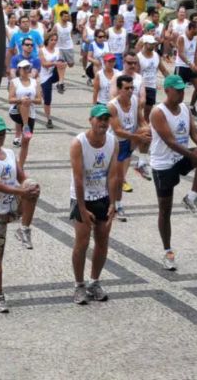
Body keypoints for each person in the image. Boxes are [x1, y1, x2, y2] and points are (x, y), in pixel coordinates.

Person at [149, 75, 197, 270]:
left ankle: (192, 196)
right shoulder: (158, 112)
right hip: (163, 164)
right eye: (177, 90)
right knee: (165, 209)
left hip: (181, 157)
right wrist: (195, 157)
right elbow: (170, 141)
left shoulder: (185, 109)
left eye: (182, 90)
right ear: (167, 90)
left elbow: (194, 133)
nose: (181, 93)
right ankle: (167, 250)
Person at [0, 115, 40, 313]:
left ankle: (24, 229)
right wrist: (21, 191)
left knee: (32, 185)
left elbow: (21, 177)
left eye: (4, 134)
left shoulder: (10, 153)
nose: (2, 137)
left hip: (13, 206)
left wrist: (30, 187)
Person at [69, 104, 118, 305]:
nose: (103, 123)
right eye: (99, 119)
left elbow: (114, 174)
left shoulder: (112, 141)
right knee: (82, 242)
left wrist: (114, 202)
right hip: (82, 197)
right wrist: (81, 208)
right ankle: (79, 285)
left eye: (106, 119)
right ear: (91, 120)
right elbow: (78, 178)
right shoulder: (79, 143)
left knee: (102, 241)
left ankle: (94, 282)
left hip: (103, 195)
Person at [107, 75, 151, 219]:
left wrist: (150, 131)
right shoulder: (112, 106)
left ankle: (142, 162)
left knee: (121, 178)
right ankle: (113, 205)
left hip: (130, 140)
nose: (130, 91)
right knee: (116, 179)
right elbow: (118, 130)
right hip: (115, 144)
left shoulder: (135, 100)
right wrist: (138, 137)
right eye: (127, 88)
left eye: (132, 87)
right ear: (119, 89)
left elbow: (141, 120)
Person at [8, 59, 43, 170]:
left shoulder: (34, 82)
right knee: (24, 103)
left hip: (30, 113)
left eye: (28, 68)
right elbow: (10, 99)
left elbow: (39, 100)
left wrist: (30, 100)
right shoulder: (15, 82)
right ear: (19, 69)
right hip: (16, 110)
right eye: (24, 68)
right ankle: (25, 126)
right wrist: (21, 100)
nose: (26, 70)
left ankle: (20, 166)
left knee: (26, 141)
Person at [137, 35, 170, 123]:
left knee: (148, 110)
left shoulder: (156, 56)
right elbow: (135, 74)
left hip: (152, 86)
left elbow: (163, 70)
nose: (153, 46)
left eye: (154, 44)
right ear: (145, 44)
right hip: (141, 87)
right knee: (138, 110)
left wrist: (171, 80)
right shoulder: (138, 57)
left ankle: (146, 126)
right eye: (150, 44)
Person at [174, 22, 197, 117]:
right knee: (179, 90)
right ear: (191, 29)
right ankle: (176, 107)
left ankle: (192, 106)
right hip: (181, 66)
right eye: (196, 29)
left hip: (191, 66)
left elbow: (194, 52)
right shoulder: (182, 38)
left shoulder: (196, 37)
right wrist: (190, 64)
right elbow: (181, 53)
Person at [38, 32, 63, 129]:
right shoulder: (42, 50)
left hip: (54, 74)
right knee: (47, 100)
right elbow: (44, 64)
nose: (53, 42)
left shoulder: (57, 50)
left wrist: (59, 63)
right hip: (45, 77)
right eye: (51, 40)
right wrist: (55, 63)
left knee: (62, 63)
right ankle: (48, 118)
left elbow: (60, 62)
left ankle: (60, 83)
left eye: (55, 40)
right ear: (47, 40)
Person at [54, 11, 75, 92]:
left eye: (67, 16)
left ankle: (59, 72)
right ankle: (60, 82)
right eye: (65, 16)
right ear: (61, 17)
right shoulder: (57, 25)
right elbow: (53, 33)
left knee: (71, 64)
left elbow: (70, 33)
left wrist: (71, 41)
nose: (66, 18)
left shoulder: (70, 24)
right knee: (62, 64)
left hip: (69, 46)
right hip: (59, 47)